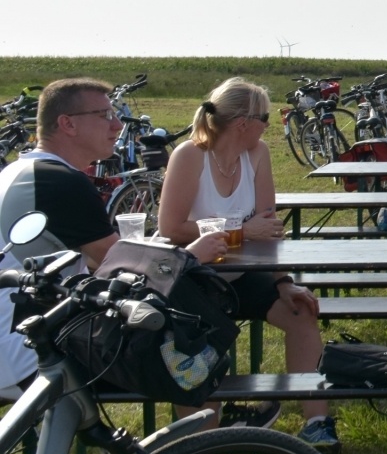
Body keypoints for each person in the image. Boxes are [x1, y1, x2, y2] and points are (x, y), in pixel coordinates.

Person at [0, 79, 227, 398]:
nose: (118, 125)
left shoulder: (20, 171)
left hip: (21, 336)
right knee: (192, 354)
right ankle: (205, 442)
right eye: (104, 115)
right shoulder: (61, 182)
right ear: (67, 124)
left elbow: (100, 259)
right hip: (25, 353)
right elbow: (129, 271)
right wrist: (190, 255)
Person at [158, 78, 336, 454]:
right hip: (198, 279)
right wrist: (241, 230)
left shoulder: (257, 154)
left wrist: (285, 282)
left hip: (244, 274)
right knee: (203, 345)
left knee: (301, 309)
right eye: (265, 118)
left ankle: (317, 425)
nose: (269, 126)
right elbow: (171, 228)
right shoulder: (190, 156)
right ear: (243, 123)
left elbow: (269, 229)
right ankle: (211, 450)